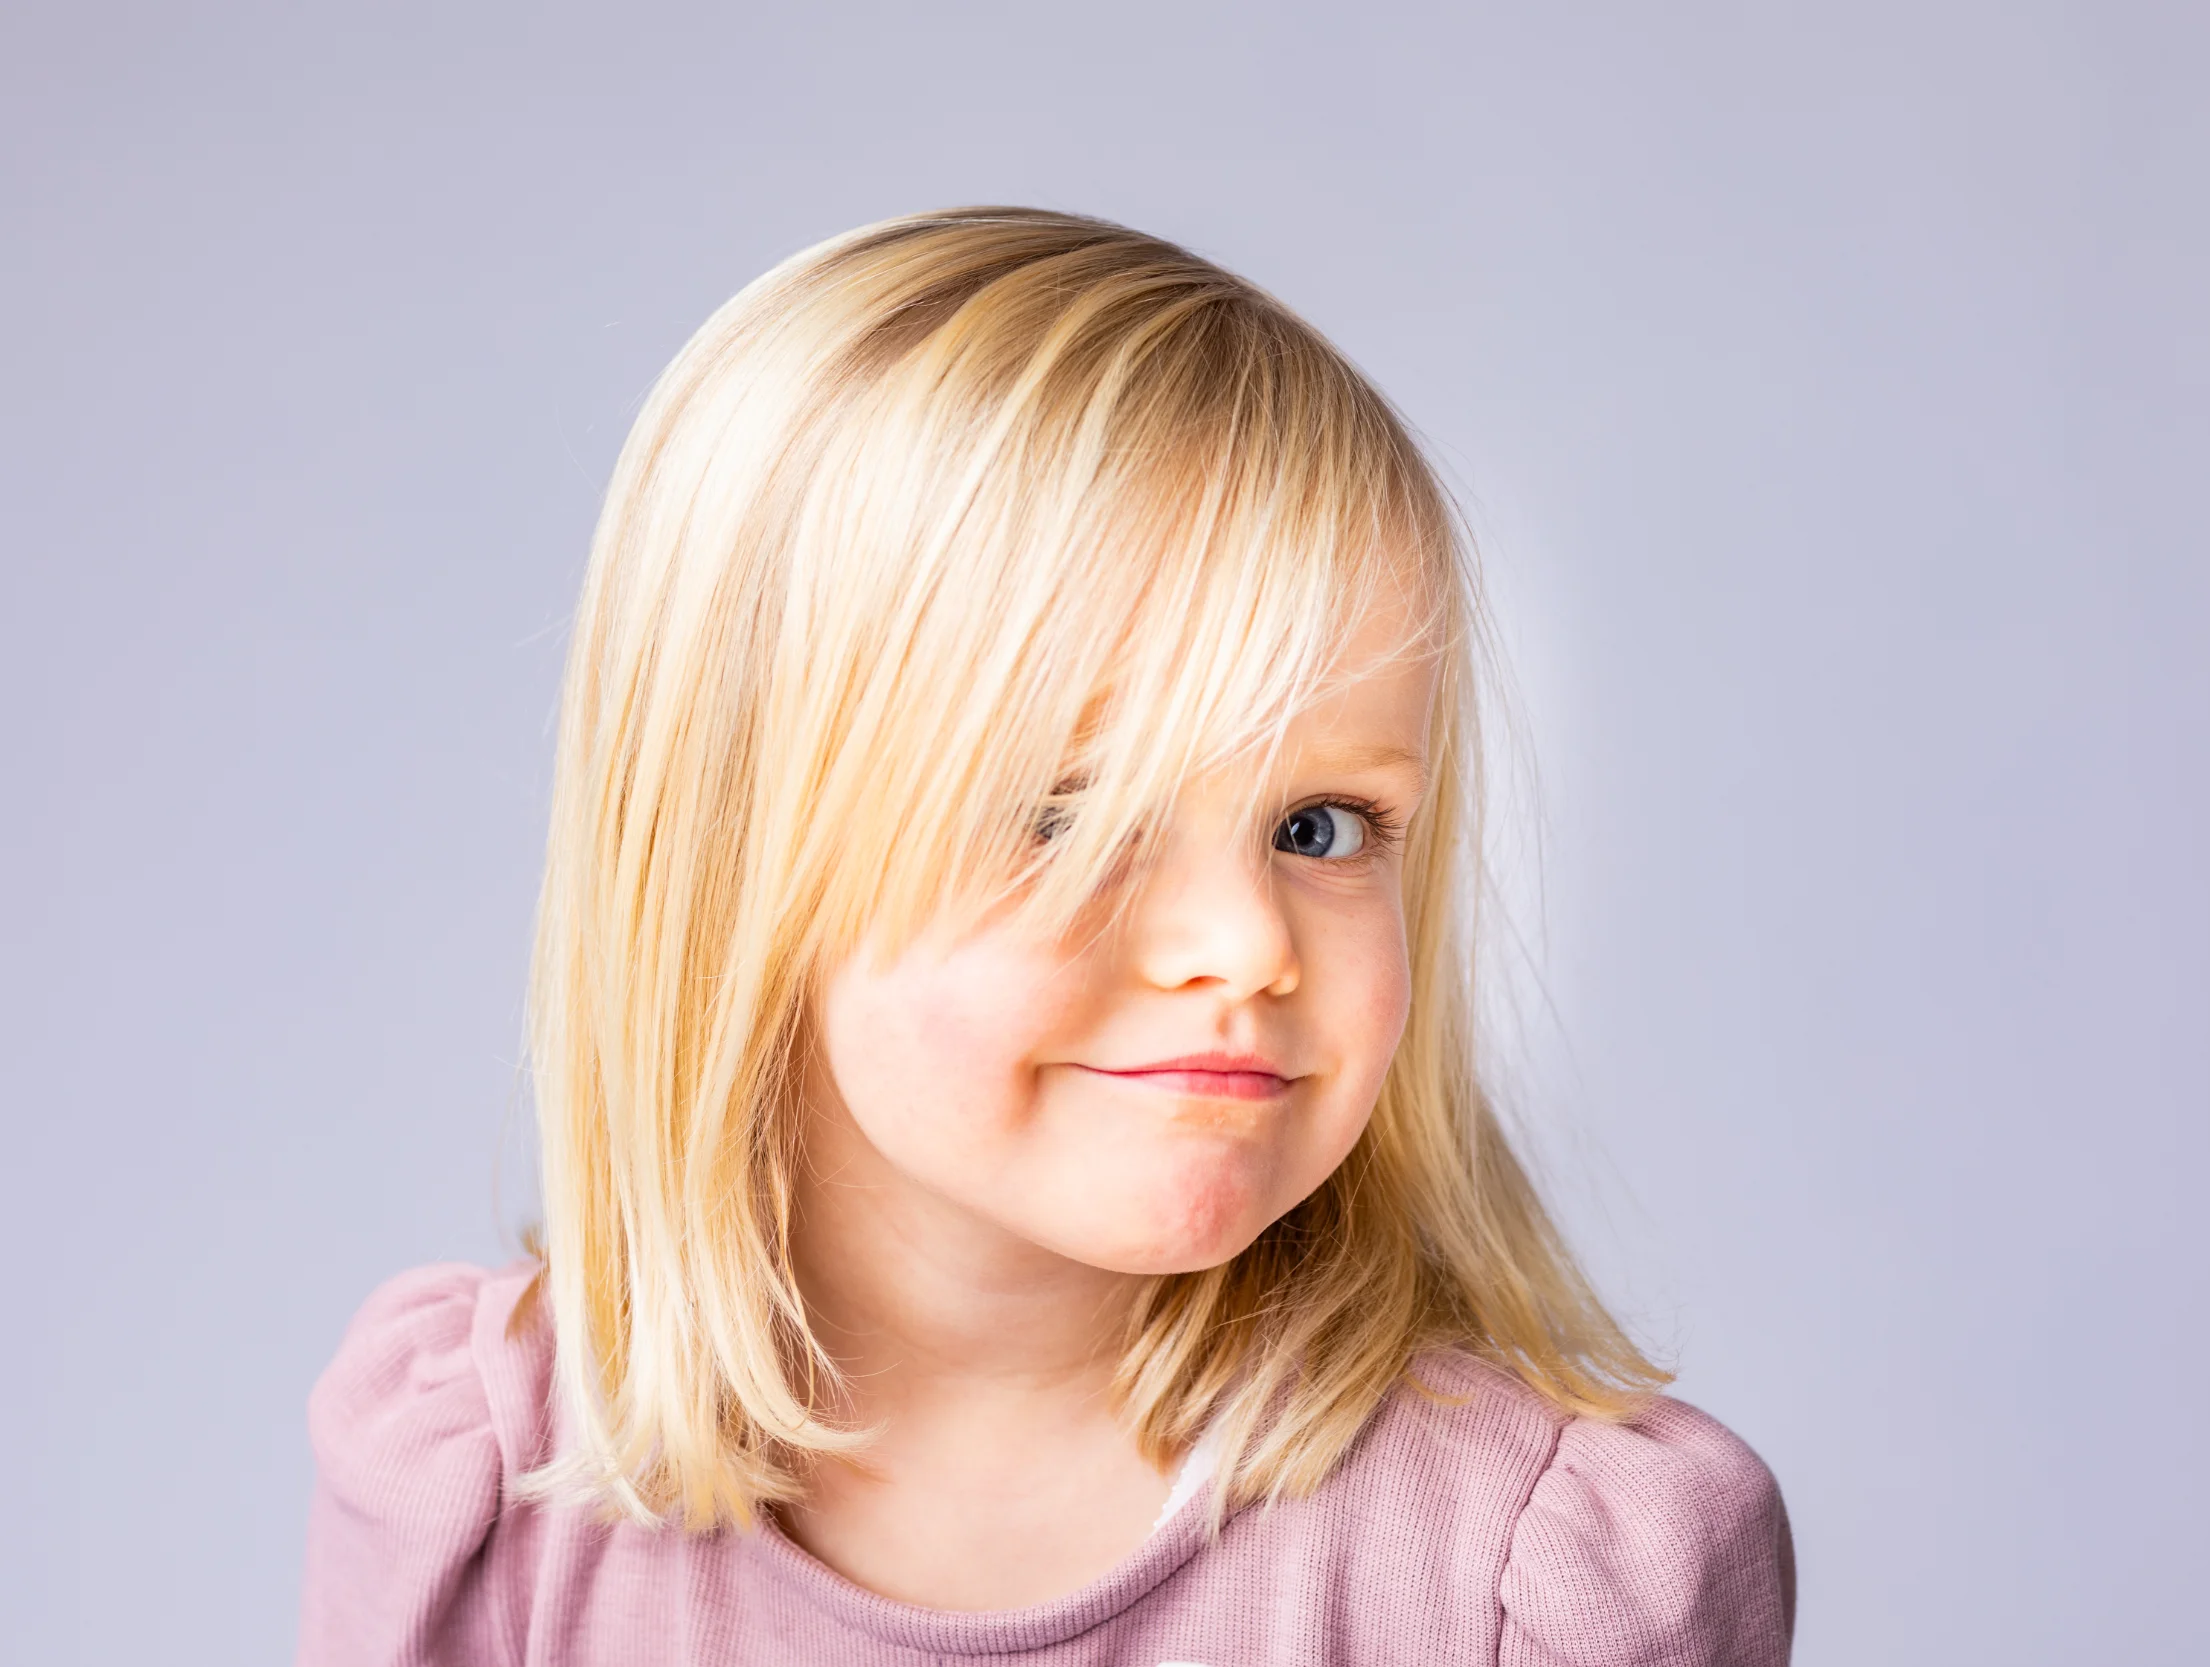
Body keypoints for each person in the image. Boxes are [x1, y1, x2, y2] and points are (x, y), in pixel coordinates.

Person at [294, 206, 1797, 1665]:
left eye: (1320, 826)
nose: (1244, 944)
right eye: (1070, 816)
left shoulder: (1537, 1581)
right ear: (738, 851)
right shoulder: (488, 1492)